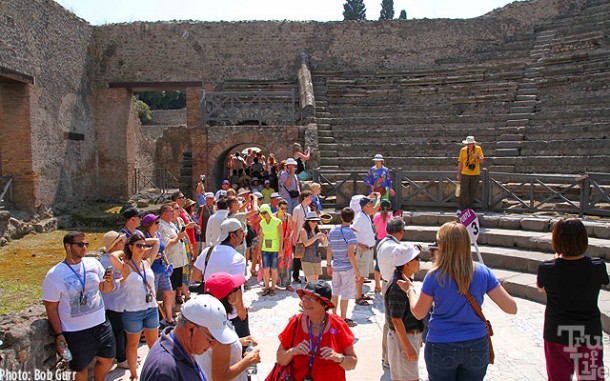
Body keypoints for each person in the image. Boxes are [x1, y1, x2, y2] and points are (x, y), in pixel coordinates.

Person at [401, 221, 517, 381]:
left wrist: (410, 290)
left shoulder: (434, 276)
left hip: (441, 344)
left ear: (443, 245)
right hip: (476, 343)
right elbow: (511, 308)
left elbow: (419, 313)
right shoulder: (483, 272)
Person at [537, 218, 608, 381]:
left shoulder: (547, 269)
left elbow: (541, 288)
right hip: (588, 334)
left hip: (557, 334)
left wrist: (557, 259)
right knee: (592, 378)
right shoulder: (597, 266)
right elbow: (603, 280)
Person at [43, 231, 117, 381]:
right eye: (80, 244)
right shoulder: (54, 275)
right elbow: (51, 307)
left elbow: (105, 289)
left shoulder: (93, 263)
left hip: (101, 324)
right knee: (79, 368)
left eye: (86, 244)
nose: (84, 247)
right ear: (68, 246)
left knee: (108, 359)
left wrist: (109, 282)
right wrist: (59, 335)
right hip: (75, 331)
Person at [140, 294, 237, 381]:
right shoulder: (164, 372)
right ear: (191, 329)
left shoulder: (184, 349)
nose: (214, 345)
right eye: (211, 339)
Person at [276, 281, 357, 381]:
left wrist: (338, 358)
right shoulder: (295, 322)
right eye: (304, 298)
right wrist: (293, 351)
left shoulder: (338, 325)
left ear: (324, 304)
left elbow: (352, 364)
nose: (306, 302)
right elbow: (280, 359)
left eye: (311, 299)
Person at [109, 234, 161, 380]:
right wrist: (126, 246)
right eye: (138, 245)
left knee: (154, 344)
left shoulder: (147, 263)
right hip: (133, 310)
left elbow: (157, 242)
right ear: (131, 247)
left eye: (144, 245)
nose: (142, 248)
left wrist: (142, 241)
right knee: (132, 344)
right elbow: (113, 255)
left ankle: (156, 370)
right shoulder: (125, 266)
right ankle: (134, 375)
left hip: (150, 308)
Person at [197, 273, 261, 381]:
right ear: (230, 298)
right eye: (237, 289)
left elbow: (214, 349)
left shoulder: (209, 320)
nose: (240, 291)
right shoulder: (220, 332)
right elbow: (220, 378)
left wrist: (238, 341)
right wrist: (248, 361)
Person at [192, 218, 249, 338]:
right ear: (232, 235)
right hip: (230, 309)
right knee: (241, 344)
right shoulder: (237, 258)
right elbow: (236, 288)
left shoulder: (207, 252)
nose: (243, 234)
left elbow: (195, 276)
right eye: (240, 231)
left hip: (209, 306)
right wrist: (240, 308)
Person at [376, 217, 420, 369]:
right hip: (397, 286)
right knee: (395, 323)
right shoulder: (395, 247)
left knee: (389, 323)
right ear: (400, 231)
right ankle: (390, 358)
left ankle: (386, 356)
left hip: (387, 282)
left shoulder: (382, 243)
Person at [384, 242, 424, 381]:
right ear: (407, 263)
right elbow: (396, 320)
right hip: (403, 338)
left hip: (407, 336)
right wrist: (407, 346)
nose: (419, 262)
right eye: (416, 259)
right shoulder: (397, 286)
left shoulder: (404, 282)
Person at [98, 231, 129, 369]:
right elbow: (108, 285)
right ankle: (121, 358)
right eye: (121, 242)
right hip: (113, 303)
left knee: (122, 330)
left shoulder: (118, 258)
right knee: (118, 331)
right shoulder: (105, 262)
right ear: (115, 244)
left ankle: (125, 355)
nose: (124, 243)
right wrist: (125, 278)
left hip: (121, 302)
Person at [326, 207, 360, 327]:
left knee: (335, 291)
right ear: (352, 219)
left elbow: (329, 250)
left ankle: (334, 317)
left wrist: (328, 265)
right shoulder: (351, 234)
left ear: (341, 217)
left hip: (336, 266)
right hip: (347, 268)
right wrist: (357, 272)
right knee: (345, 293)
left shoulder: (333, 231)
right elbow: (351, 255)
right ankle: (343, 318)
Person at [141, 213, 175, 326]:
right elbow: (141, 253)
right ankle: (153, 322)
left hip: (162, 268)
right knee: (152, 297)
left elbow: (163, 249)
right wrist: (151, 255)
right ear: (149, 225)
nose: (158, 224)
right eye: (156, 222)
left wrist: (167, 263)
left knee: (169, 292)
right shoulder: (144, 237)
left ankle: (169, 317)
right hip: (152, 269)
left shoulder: (158, 234)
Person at [352, 195, 380, 306]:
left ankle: (360, 294)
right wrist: (358, 245)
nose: (372, 206)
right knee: (360, 275)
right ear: (366, 206)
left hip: (368, 250)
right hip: (362, 251)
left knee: (363, 274)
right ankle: (358, 297)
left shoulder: (365, 216)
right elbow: (352, 230)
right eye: (370, 204)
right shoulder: (360, 217)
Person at [258, 204, 283, 296]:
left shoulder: (277, 221)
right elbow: (261, 236)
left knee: (274, 269)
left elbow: (281, 236)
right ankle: (266, 287)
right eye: (262, 213)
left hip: (275, 248)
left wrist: (280, 249)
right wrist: (259, 250)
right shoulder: (262, 223)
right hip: (265, 248)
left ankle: (273, 287)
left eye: (265, 212)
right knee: (265, 269)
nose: (264, 214)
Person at [457, 135, 484, 213]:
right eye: (467, 144)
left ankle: (469, 208)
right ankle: (461, 208)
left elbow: (482, 161)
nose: (468, 145)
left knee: (472, 191)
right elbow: (461, 162)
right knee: (463, 191)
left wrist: (477, 157)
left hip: (475, 173)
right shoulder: (463, 150)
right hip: (465, 173)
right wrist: (459, 173)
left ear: (473, 144)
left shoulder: (478, 149)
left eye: (469, 144)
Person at [291, 190, 313, 283]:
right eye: (310, 197)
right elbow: (294, 224)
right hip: (299, 236)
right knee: (297, 257)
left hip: (307, 236)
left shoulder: (309, 209)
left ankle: (306, 276)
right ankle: (295, 276)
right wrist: (294, 237)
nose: (311, 199)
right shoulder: (297, 209)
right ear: (305, 198)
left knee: (307, 257)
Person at [299, 211, 327, 282]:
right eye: (313, 221)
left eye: (316, 221)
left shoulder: (317, 231)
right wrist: (316, 237)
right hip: (307, 259)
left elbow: (324, 244)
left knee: (316, 282)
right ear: (308, 222)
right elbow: (305, 243)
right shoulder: (303, 231)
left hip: (316, 259)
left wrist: (326, 237)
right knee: (311, 283)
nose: (315, 223)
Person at [372, 199, 392, 293]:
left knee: (378, 263)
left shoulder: (376, 217)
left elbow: (375, 230)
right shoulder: (391, 217)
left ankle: (377, 285)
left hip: (379, 240)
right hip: (388, 240)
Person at [275, 199, 294, 291]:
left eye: (286, 208)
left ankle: (287, 283)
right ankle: (276, 282)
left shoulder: (288, 216)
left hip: (287, 243)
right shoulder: (274, 217)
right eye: (282, 208)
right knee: (277, 262)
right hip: (277, 242)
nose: (284, 210)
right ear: (278, 207)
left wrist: (290, 236)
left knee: (288, 262)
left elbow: (292, 229)